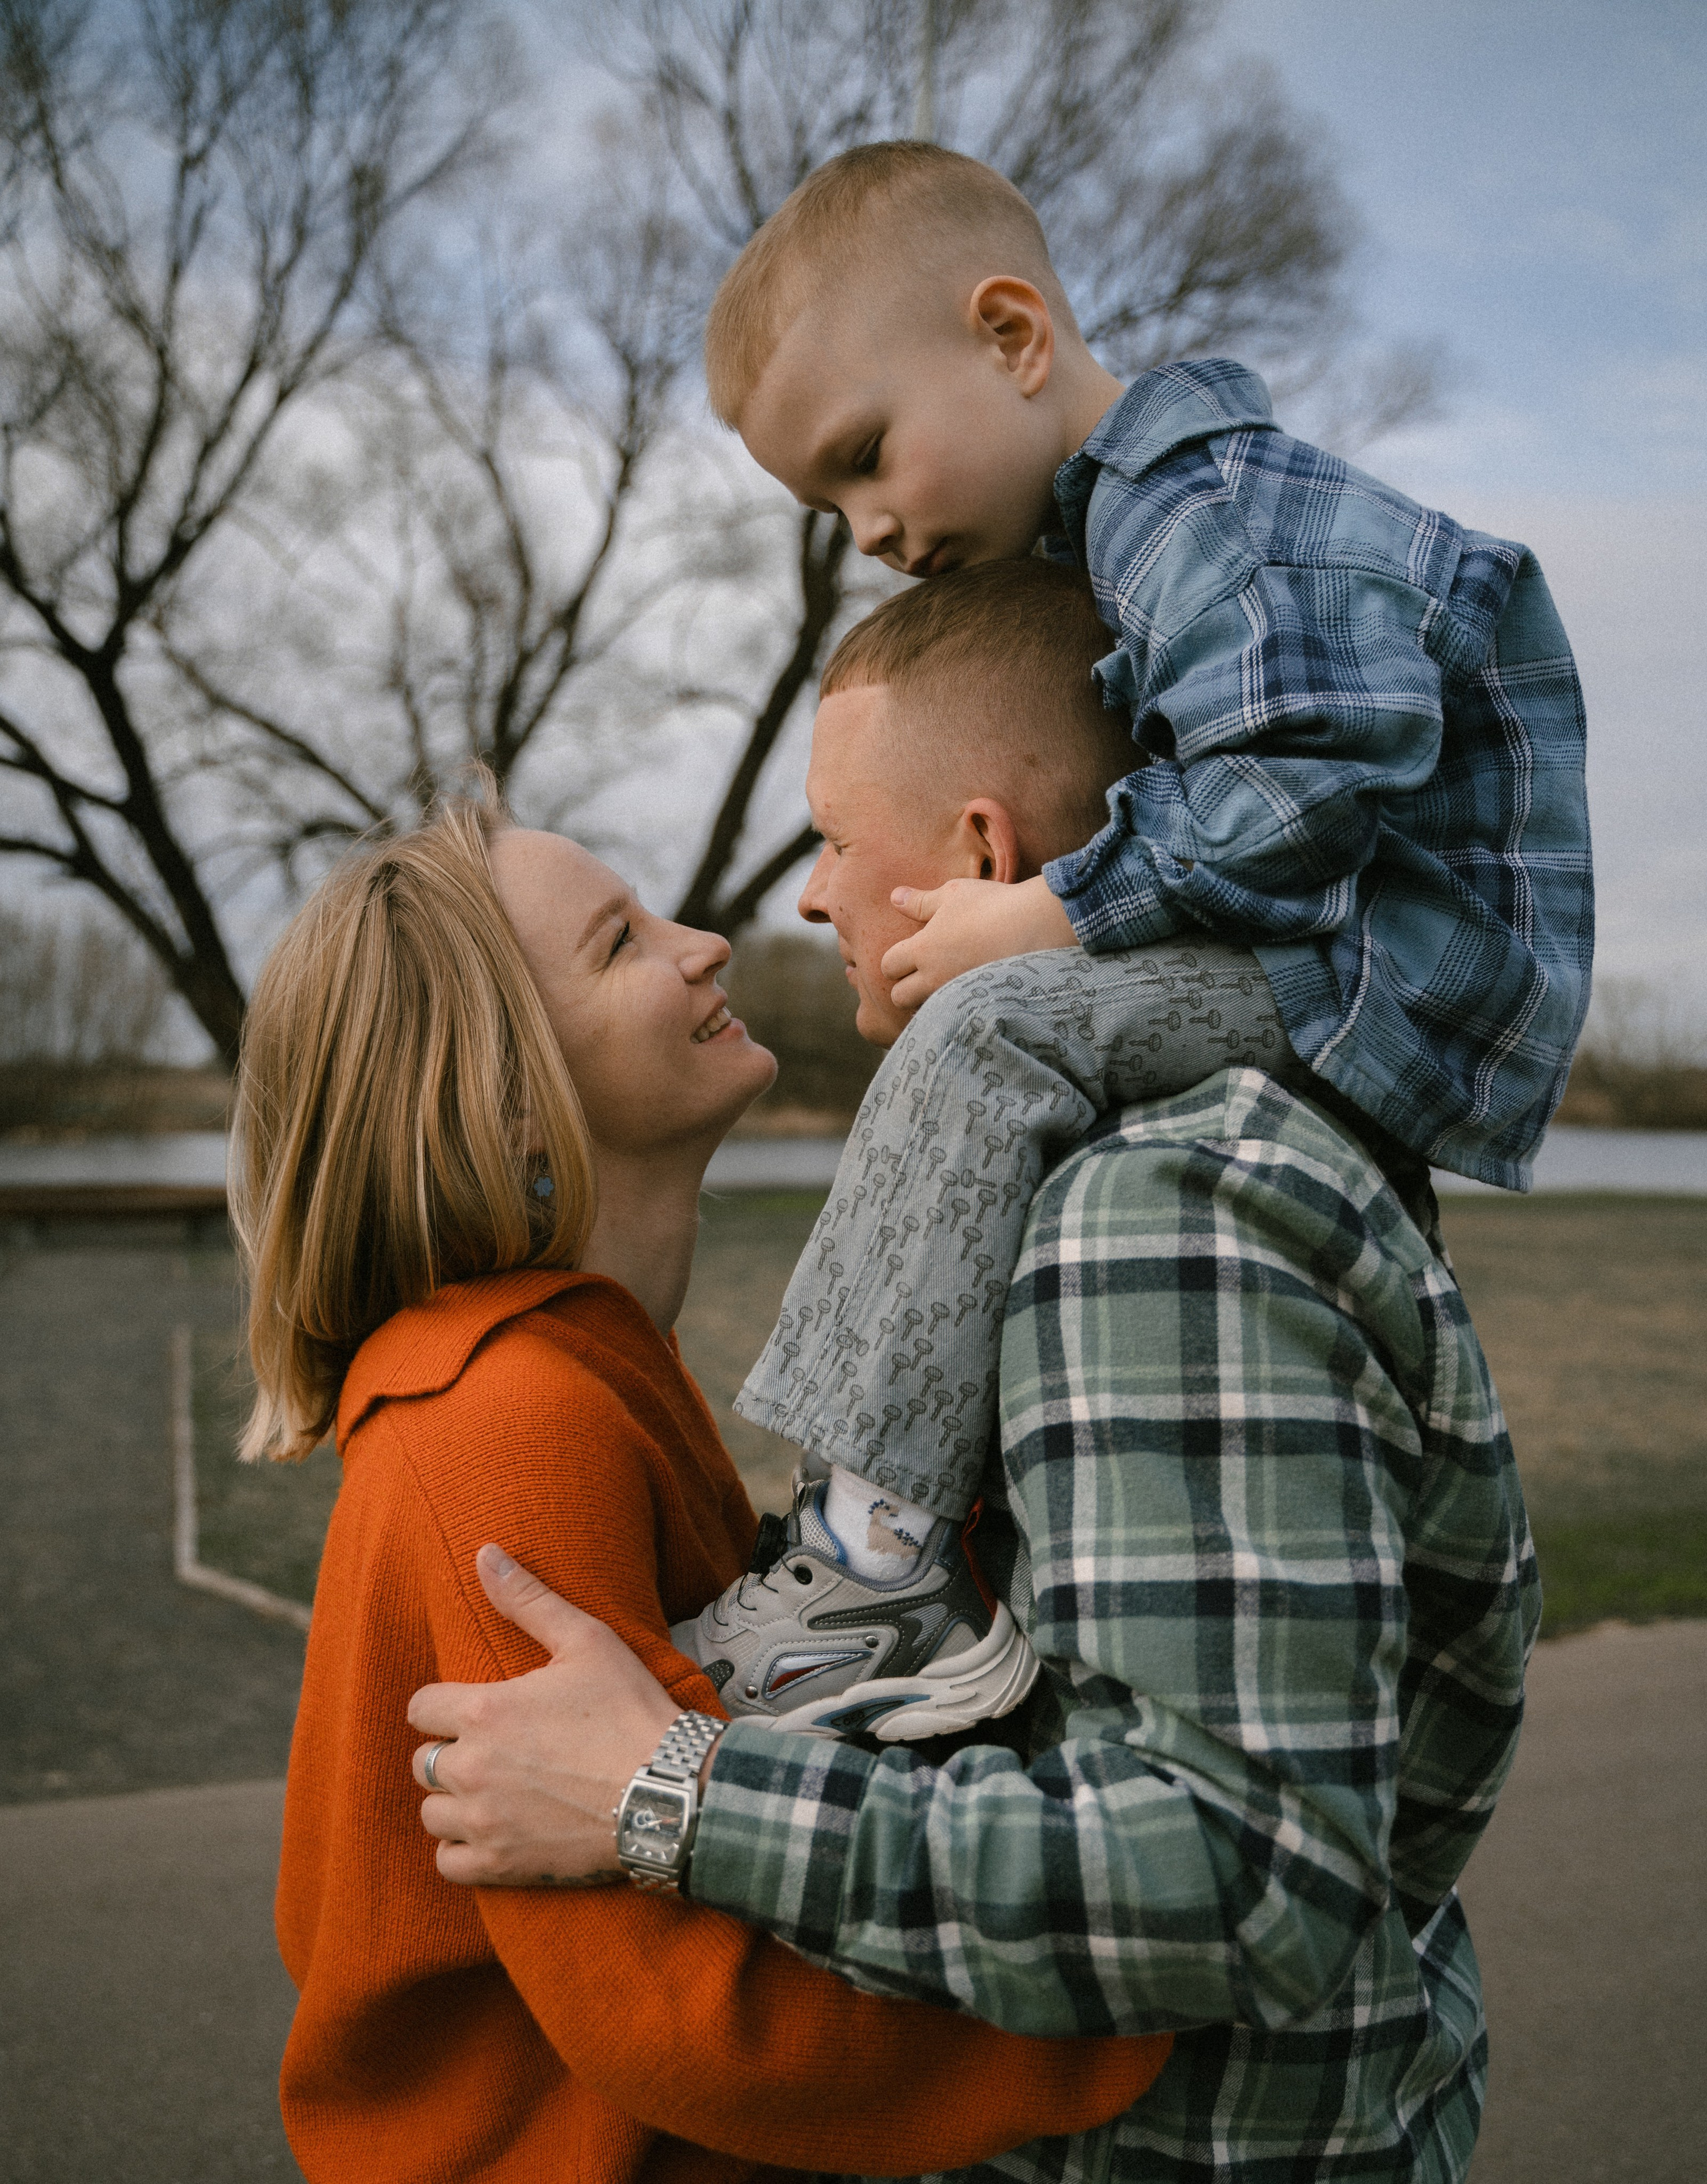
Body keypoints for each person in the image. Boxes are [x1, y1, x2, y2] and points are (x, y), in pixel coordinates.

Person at [407, 610, 1543, 2179]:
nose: (799, 900)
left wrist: (672, 1793)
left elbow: (1249, 1881)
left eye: (831, 839)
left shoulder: (1147, 1220)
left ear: (983, 850)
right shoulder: (1049, 1187)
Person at [673, 136, 1592, 1681]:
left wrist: (1052, 909)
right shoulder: (1128, 533)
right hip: (1321, 958)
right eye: (829, 502)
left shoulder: (1196, 508)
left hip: (1373, 969)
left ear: (1010, 336)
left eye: (865, 454)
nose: (867, 529)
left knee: (986, 1032)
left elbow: (1302, 785)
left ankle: (873, 1559)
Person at [231, 785, 1170, 2183]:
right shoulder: (504, 1422)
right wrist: (1142, 2008)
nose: (708, 943)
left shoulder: (597, 1364)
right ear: (508, 1102)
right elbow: (675, 2009)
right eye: (621, 942)